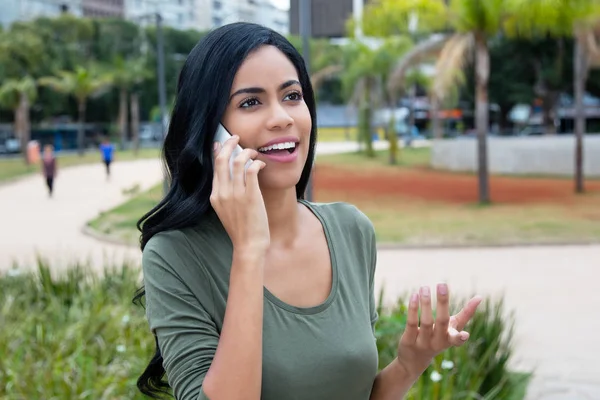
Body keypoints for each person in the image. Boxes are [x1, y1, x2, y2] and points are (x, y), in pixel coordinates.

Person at [134, 22, 482, 400]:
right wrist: (249, 249)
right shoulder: (174, 255)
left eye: (292, 95)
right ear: (211, 131)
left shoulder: (351, 230)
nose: (282, 117)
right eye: (250, 102)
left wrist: (408, 365)